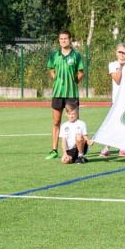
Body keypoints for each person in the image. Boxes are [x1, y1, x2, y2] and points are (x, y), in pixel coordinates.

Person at [46, 30, 84, 160]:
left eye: (65, 38)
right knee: (56, 121)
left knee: (74, 121)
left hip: (71, 93)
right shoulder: (54, 55)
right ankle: (54, 150)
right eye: (61, 39)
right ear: (59, 40)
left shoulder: (76, 55)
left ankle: (77, 151)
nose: (63, 41)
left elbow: (81, 72)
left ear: (70, 39)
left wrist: (74, 83)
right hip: (57, 93)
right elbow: (51, 69)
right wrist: (56, 80)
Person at [100, 45, 125, 157]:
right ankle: (106, 148)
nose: (121, 54)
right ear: (116, 53)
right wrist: (120, 67)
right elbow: (117, 80)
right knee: (112, 124)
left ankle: (122, 148)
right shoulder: (112, 65)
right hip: (117, 100)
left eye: (123, 52)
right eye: (119, 52)